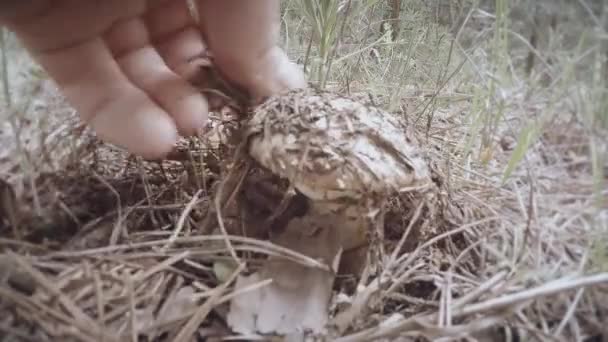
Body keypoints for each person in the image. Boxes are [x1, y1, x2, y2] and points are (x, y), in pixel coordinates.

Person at [0, 0, 306, 159]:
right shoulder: (202, 70)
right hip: (206, 78)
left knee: (193, 101)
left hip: (221, 86)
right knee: (189, 99)